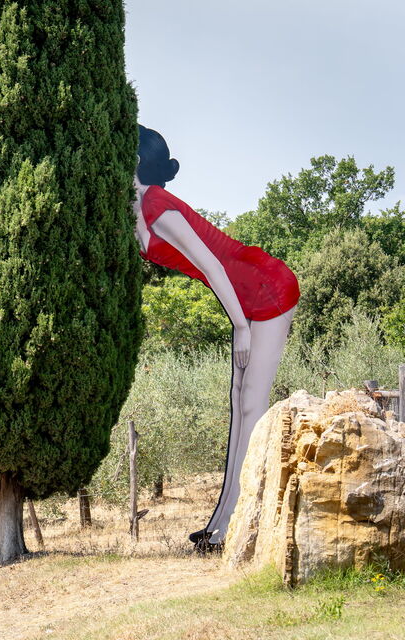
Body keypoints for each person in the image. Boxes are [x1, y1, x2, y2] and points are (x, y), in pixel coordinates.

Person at [134, 125, 300, 550]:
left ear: (134, 159)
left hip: (265, 288)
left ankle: (241, 524)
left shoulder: (157, 205)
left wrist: (242, 328)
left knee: (251, 405)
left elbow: (213, 267)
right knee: (238, 404)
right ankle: (221, 523)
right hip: (242, 297)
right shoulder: (137, 206)